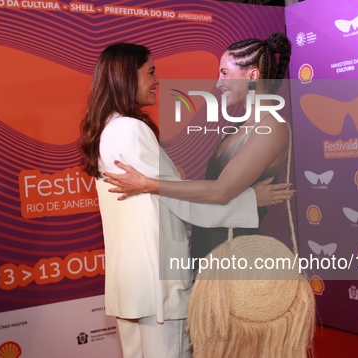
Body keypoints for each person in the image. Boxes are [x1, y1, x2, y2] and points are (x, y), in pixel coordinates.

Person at [79, 43, 276, 358]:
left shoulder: (108, 129)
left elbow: (159, 195)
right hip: (157, 283)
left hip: (132, 282)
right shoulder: (131, 130)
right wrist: (249, 201)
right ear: (128, 76)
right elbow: (178, 201)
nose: (157, 81)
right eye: (151, 72)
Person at [104, 34, 294, 262]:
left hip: (238, 252)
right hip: (210, 246)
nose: (218, 83)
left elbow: (221, 191)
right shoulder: (238, 127)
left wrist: (149, 184)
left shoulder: (272, 127)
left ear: (252, 76)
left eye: (224, 73)